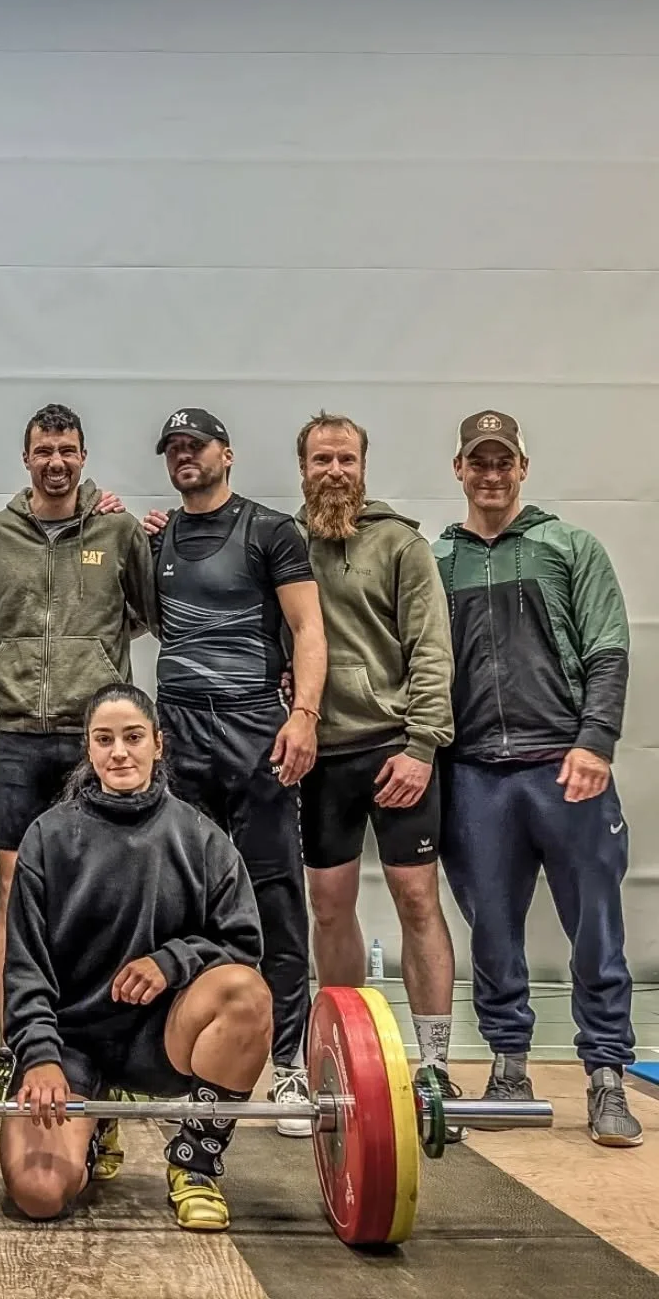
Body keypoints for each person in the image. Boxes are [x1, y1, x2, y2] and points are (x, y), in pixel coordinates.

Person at [435, 410, 642, 1146]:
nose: (491, 474)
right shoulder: (438, 560)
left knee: (597, 927)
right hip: (475, 776)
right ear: (458, 470)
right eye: (478, 462)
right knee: (492, 931)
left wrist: (595, 742)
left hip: (567, 768)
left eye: (504, 462)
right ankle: (509, 1066)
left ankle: (607, 1076)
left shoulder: (570, 547)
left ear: (523, 468)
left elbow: (609, 650)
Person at [1, 682, 269, 1232]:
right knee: (39, 1194)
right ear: (88, 748)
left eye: (133, 737)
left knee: (245, 994)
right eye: (104, 739)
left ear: (158, 744)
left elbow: (243, 947)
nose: (119, 752)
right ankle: (95, 1121)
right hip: (71, 1041)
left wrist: (172, 962)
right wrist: (40, 1056)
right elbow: (25, 967)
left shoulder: (202, 838)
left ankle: (195, 1161)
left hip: (160, 1038)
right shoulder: (47, 837)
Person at [0, 402, 156, 1106]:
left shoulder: (118, 531)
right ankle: (15, 1049)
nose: (56, 462)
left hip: (94, 743)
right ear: (26, 458)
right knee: (15, 892)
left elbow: (151, 611)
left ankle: (106, 1051)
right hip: (17, 739)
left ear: (83, 455)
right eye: (44, 450)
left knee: (102, 893)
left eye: (67, 450)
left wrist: (94, 650)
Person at [140, 407, 325, 1137]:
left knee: (275, 893)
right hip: (181, 734)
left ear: (228, 453)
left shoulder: (271, 531)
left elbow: (308, 628)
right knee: (186, 901)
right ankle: (189, 1064)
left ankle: (288, 1065)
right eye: (175, 448)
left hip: (256, 731)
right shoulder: (160, 540)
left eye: (198, 445)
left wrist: (303, 715)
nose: (185, 456)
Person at [293, 413, 463, 1137]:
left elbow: (431, 652)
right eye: (322, 460)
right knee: (329, 906)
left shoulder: (402, 545)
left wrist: (422, 747)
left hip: (396, 750)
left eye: (347, 459)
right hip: (322, 757)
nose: (335, 471)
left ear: (364, 466)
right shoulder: (285, 545)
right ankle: (342, 1057)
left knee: (417, 899)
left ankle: (435, 1065)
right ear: (303, 468)